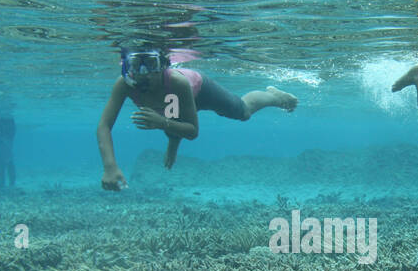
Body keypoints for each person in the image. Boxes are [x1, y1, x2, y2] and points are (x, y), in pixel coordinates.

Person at [96, 49, 298, 190]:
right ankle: (171, 141)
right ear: (126, 67)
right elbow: (104, 126)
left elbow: (192, 131)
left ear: (164, 66)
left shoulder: (176, 82)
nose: (143, 74)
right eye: (136, 65)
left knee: (242, 112)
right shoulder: (124, 84)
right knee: (169, 117)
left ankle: (274, 97)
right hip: (172, 104)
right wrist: (110, 167)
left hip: (200, 91)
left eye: (151, 64)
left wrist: (161, 123)